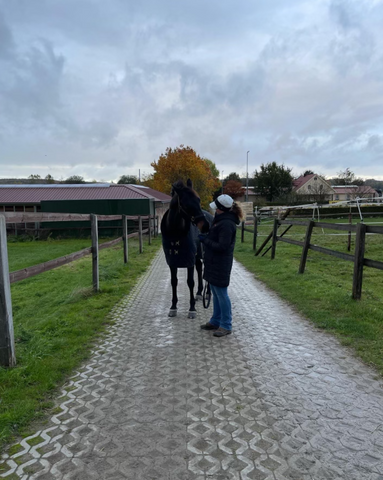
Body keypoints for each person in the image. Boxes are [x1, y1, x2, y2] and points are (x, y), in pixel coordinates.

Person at [199, 194, 244, 337]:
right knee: (216, 293)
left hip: (220, 262)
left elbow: (222, 246)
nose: (214, 210)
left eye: (216, 207)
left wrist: (205, 241)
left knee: (222, 294)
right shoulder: (220, 220)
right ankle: (215, 320)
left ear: (221, 209)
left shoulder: (226, 224)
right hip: (213, 261)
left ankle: (226, 325)